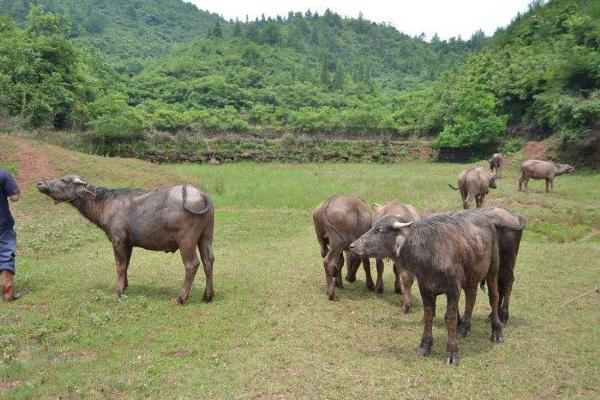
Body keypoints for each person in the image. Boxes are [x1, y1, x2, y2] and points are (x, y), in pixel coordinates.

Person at [0, 168, 20, 301]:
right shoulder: (3, 174)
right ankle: (7, 290)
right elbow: (15, 197)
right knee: (6, 252)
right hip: (2, 222)